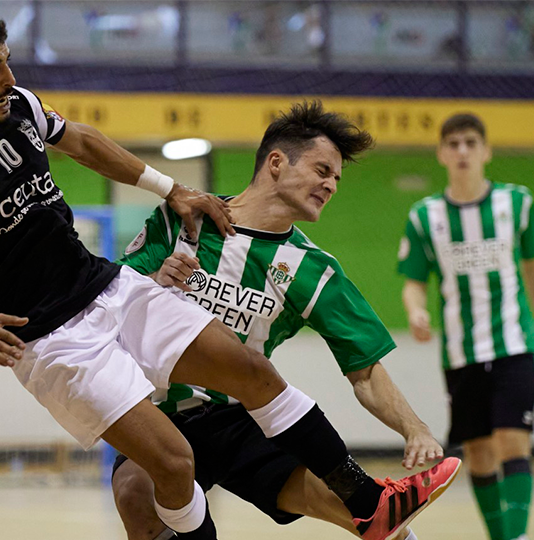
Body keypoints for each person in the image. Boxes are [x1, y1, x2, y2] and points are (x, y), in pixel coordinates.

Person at [0, 7, 449, 539]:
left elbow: (81, 140)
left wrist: (172, 186)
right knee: (174, 465)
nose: (9, 77)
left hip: (105, 288)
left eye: (7, 61)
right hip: (54, 340)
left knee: (251, 369)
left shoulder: (17, 106)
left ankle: (369, 505)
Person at [112, 101, 461, 540]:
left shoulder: (314, 270)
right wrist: (154, 279)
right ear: (276, 163)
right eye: (322, 170)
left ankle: (385, 518)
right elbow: (113, 293)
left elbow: (366, 371)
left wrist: (415, 428)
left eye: (336, 177)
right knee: (133, 494)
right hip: (157, 412)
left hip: (239, 416)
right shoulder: (185, 216)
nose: (331, 184)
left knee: (351, 506)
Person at [397, 113, 534, 540]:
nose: (462, 151)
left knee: (513, 440)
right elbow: (413, 282)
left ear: (486, 151)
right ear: (442, 153)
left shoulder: (517, 203)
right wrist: (416, 311)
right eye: (453, 144)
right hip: (462, 351)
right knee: (479, 451)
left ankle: (516, 537)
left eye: (470, 143)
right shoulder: (424, 216)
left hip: (515, 343)